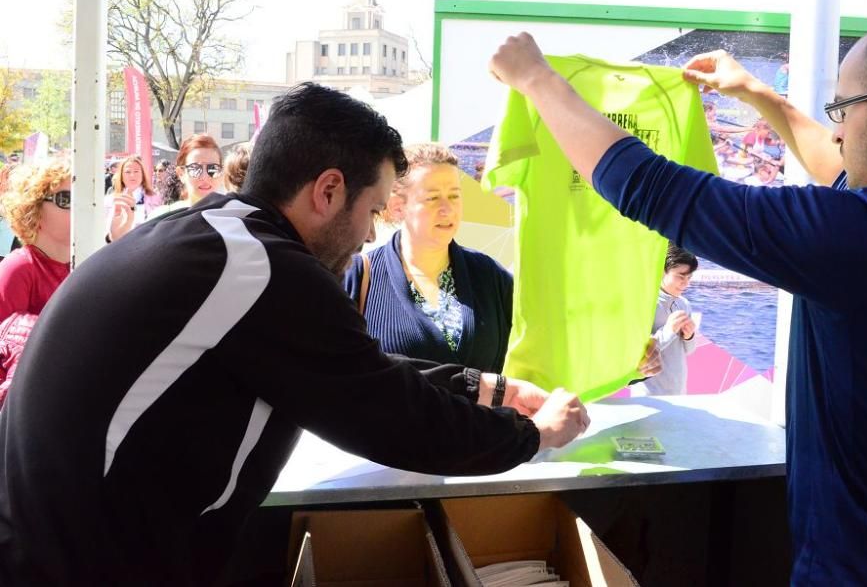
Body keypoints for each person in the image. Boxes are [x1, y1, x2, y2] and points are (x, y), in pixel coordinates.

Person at [0, 82, 589, 586]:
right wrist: (530, 435)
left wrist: (485, 388)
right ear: (327, 191)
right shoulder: (261, 269)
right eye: (373, 209)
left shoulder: (213, 238)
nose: (366, 237)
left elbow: (344, 368)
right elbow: (387, 415)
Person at [488, 12, 867, 584]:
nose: (835, 131)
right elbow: (847, 169)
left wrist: (535, 78)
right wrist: (759, 95)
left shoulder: (866, 239)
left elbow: (650, 186)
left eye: (842, 110)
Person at [344, 143, 512, 373]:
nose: (447, 209)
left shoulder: (490, 276)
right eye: (432, 198)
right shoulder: (358, 277)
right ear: (397, 206)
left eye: (454, 196)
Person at [0, 158, 72, 406]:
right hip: (28, 406)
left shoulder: (87, 261)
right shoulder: (18, 268)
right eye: (66, 199)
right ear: (34, 209)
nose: (81, 206)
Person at [634, 245, 698, 396]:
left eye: (689, 278)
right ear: (662, 271)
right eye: (681, 276)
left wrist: (690, 336)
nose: (686, 283)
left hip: (679, 391)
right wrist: (669, 329)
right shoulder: (645, 304)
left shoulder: (684, 304)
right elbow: (638, 354)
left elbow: (689, 351)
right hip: (649, 395)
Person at [153, 133, 225, 216]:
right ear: (181, 174)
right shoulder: (162, 217)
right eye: (195, 169)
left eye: (213, 169)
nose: (205, 177)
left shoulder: (234, 217)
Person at [106, 155, 161, 241]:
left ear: (143, 174)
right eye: (128, 172)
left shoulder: (156, 198)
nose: (132, 175)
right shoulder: (110, 200)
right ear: (121, 176)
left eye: (136, 171)